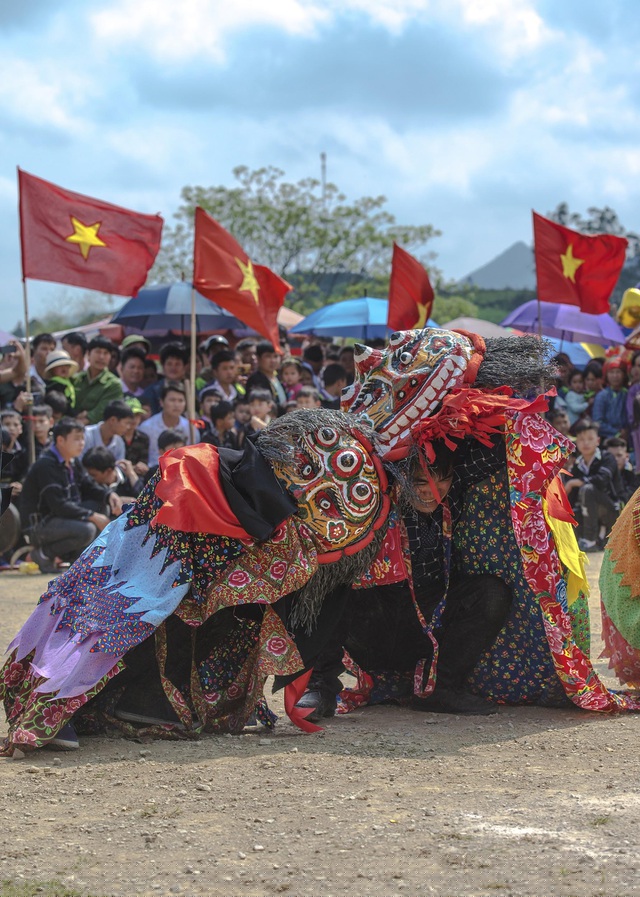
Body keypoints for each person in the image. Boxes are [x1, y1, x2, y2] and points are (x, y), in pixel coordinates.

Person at [0, 410, 390, 753]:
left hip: (214, 510)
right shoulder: (286, 515)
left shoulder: (305, 519)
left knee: (175, 609)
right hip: (187, 505)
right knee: (126, 605)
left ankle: (141, 700)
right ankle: (53, 702)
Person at [19, 417, 111, 573]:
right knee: (87, 529)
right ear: (60, 440)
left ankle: (78, 560)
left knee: (103, 506)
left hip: (61, 518)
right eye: (76, 439)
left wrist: (109, 495)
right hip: (40, 524)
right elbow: (59, 505)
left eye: (82, 438)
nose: (81, 443)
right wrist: (91, 515)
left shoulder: (73, 462)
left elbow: (89, 486)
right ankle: (42, 554)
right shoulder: (47, 465)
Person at [564, 421, 624, 551]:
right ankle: (587, 539)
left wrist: (574, 482)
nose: (586, 443)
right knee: (570, 507)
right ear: (577, 443)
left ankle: (590, 540)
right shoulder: (577, 465)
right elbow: (572, 496)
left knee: (588, 489)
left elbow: (602, 480)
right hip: (588, 511)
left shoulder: (607, 457)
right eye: (581, 440)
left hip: (611, 509)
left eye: (590, 439)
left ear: (597, 440)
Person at [139, 381, 192, 465]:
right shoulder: (147, 427)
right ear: (161, 402)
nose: (176, 405)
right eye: (172, 400)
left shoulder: (191, 428)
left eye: (180, 400)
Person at [73, 337, 124, 425]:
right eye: (98, 352)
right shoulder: (76, 379)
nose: (101, 357)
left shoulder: (114, 384)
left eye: (106, 353)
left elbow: (98, 414)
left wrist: (74, 425)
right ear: (88, 354)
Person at [141, 343, 188, 415]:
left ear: (184, 368)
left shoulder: (190, 390)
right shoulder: (151, 391)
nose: (173, 368)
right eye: (169, 364)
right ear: (163, 366)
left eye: (177, 364)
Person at [592, 358, 628, 442]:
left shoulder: (627, 394)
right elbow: (597, 421)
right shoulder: (602, 396)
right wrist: (617, 432)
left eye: (618, 372)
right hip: (607, 439)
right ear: (606, 375)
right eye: (611, 372)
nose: (615, 376)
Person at [245, 341, 286, 410]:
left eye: (275, 356)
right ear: (258, 358)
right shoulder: (255, 380)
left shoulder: (278, 377)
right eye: (268, 356)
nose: (273, 360)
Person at [604, 436, 637, 504]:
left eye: (619, 455)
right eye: (611, 456)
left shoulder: (634, 477)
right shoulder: (601, 476)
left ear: (626, 456)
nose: (615, 459)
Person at [43, 349, 78, 414]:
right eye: (59, 366)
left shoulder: (70, 381)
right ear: (52, 369)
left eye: (67, 365)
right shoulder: (54, 385)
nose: (64, 368)